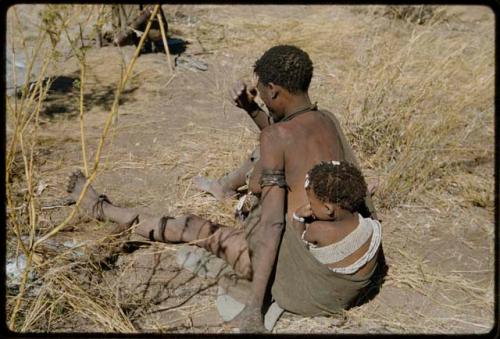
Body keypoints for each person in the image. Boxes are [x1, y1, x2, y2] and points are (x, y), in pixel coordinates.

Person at [65, 45, 383, 332]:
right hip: (345, 281)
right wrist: (252, 109)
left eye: (261, 94)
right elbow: (286, 138)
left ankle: (100, 208)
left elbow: (272, 225)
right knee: (262, 159)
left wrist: (254, 309)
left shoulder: (277, 138)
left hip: (306, 283)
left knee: (196, 228)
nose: (260, 99)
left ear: (274, 91)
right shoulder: (326, 120)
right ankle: (223, 192)